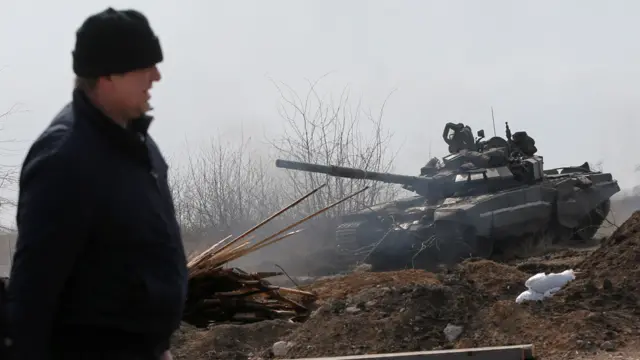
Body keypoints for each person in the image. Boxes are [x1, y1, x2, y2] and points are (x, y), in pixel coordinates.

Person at [5, 8, 187, 360]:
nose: (156, 76)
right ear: (108, 75)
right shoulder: (65, 158)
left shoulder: (137, 145)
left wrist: (156, 344)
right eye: (144, 66)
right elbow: (34, 292)